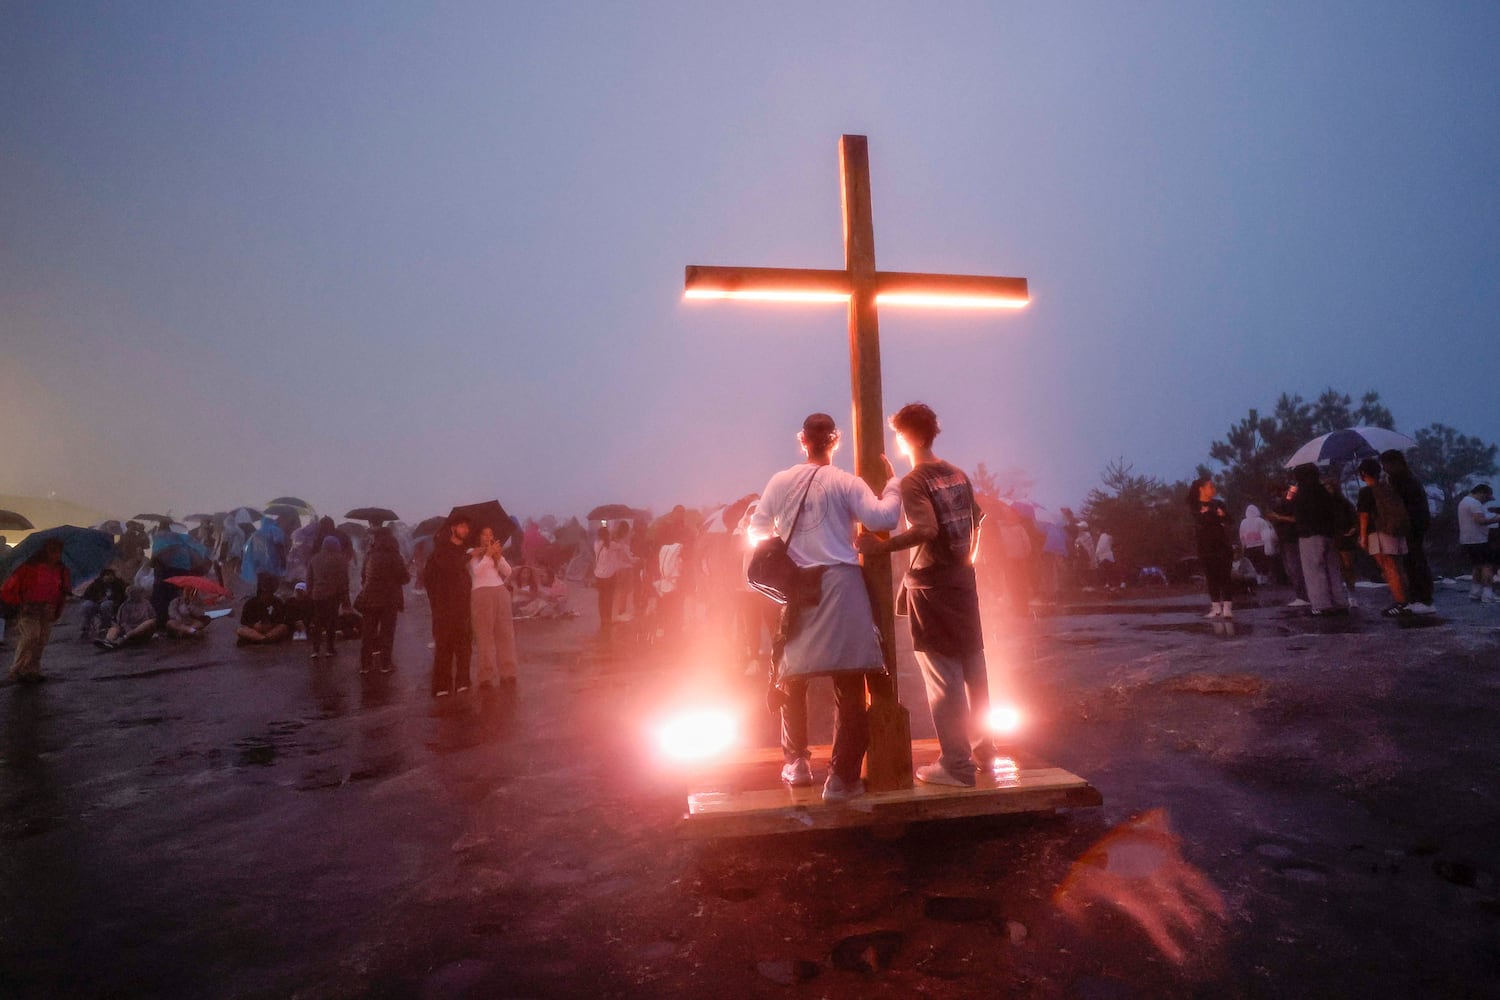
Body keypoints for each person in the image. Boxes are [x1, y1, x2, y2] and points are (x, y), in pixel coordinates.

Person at [749, 412, 901, 804]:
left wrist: (790, 540)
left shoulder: (779, 481)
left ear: (802, 441)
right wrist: (895, 484)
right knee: (848, 682)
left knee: (792, 677)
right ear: (836, 442)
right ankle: (841, 778)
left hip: (799, 585)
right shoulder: (845, 482)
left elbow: (756, 530)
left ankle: (797, 764)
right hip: (841, 586)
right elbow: (886, 517)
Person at [857, 403, 988, 788]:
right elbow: (978, 518)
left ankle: (957, 766)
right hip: (963, 583)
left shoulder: (916, 481)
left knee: (943, 678)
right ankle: (984, 752)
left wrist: (881, 547)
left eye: (897, 435)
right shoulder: (957, 473)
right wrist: (967, 559)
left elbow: (927, 529)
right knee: (973, 671)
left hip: (932, 589)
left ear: (906, 436)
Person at [1, 539, 71, 683]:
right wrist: (17, 604)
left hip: (48, 608)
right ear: (45, 551)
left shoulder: (61, 569)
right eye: (53, 551)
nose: (56, 554)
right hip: (29, 608)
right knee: (30, 637)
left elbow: (63, 589)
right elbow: (13, 587)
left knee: (42, 640)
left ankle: (33, 669)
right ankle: (17, 669)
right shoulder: (28, 567)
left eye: (58, 551)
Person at [424, 514, 473, 696]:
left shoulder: (466, 550)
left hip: (463, 606)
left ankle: (463, 680)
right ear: (453, 528)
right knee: (444, 647)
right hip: (444, 607)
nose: (465, 530)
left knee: (464, 647)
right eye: (461, 526)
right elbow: (447, 568)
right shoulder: (441, 550)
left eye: (466, 527)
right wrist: (467, 557)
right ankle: (442, 685)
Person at [1291, 463, 1349, 615]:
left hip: (1309, 536)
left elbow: (1297, 515)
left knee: (1314, 571)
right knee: (1333, 570)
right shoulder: (1323, 491)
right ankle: (1340, 601)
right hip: (1329, 534)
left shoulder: (1301, 494)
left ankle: (1322, 604)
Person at [1355, 458, 1411, 617]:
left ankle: (1400, 603)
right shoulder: (1388, 488)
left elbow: (1364, 516)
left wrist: (1363, 537)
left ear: (1363, 473)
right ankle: (1406, 599)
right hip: (1395, 531)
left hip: (1378, 533)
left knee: (1388, 568)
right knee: (1398, 567)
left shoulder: (1366, 491)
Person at [1381, 449, 1435, 614]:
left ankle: (1422, 598)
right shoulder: (1409, 478)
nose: (1385, 468)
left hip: (1411, 525)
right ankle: (1418, 597)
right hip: (1416, 524)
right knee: (1412, 560)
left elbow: (1399, 502)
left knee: (1414, 561)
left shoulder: (1402, 480)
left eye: (1386, 465)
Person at [469, 525, 517, 688]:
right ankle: (486, 674)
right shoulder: (472, 552)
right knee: (485, 635)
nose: (487, 537)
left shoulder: (495, 554)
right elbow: (476, 572)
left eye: (490, 534)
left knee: (505, 633)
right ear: (479, 536)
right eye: (484, 534)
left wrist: (498, 556)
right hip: (481, 593)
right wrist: (487, 555)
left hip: (500, 590)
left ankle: (508, 671)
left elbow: (508, 571)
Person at [355, 527, 407, 674]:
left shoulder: (369, 555)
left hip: (370, 598)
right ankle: (385, 664)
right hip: (389, 600)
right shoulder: (395, 556)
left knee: (368, 632)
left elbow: (363, 576)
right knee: (387, 633)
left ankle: (365, 665)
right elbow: (404, 578)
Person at [1186, 477, 1234, 618]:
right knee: (1211, 577)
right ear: (1201, 488)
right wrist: (1215, 514)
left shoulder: (1219, 503)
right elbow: (1202, 520)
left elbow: (1229, 519)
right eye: (1210, 486)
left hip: (1222, 545)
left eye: (1213, 486)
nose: (1213, 489)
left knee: (1225, 576)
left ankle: (1227, 607)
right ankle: (1216, 607)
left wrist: (1215, 513)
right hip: (1205, 546)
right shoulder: (1195, 504)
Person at [1266, 484, 1310, 607]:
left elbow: (1295, 519)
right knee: (1290, 568)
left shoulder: (1292, 503)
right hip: (1284, 539)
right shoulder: (1282, 504)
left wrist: (1278, 517)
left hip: (1291, 539)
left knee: (1294, 567)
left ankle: (1303, 596)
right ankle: (1301, 595)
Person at [306, 535, 349, 658]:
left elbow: (309, 578)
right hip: (333, 595)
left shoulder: (314, 559)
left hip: (317, 595)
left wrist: (310, 593)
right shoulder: (340, 559)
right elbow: (344, 580)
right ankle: (330, 649)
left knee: (318, 621)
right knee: (331, 621)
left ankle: (315, 649)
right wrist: (345, 599)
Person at [1457, 483, 1500, 604]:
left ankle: (1475, 593)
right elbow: (1480, 520)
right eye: (1486, 498)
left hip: (1467, 540)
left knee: (1477, 566)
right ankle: (1488, 594)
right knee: (1487, 566)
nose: (1486, 501)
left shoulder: (1464, 501)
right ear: (1482, 493)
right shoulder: (1475, 503)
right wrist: (1497, 518)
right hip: (1479, 540)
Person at [95, 585, 157, 649]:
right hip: (128, 630)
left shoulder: (146, 603)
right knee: (115, 628)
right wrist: (129, 631)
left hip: (142, 630)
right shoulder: (125, 606)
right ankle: (108, 641)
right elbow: (123, 622)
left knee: (150, 622)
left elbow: (153, 616)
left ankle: (122, 639)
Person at [237, 573, 291, 646]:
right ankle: (263, 639)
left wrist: (271, 624)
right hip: (256, 630)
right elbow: (244, 621)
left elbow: (282, 620)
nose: (266, 595)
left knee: (283, 628)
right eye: (264, 593)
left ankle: (260, 639)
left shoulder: (278, 602)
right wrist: (254, 625)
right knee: (240, 630)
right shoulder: (250, 603)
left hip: (271, 629)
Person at [78, 567, 127, 641]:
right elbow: (86, 595)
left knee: (106, 604)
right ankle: (86, 628)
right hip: (97, 603)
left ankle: (105, 626)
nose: (109, 577)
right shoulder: (96, 584)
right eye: (107, 575)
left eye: (111, 575)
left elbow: (123, 595)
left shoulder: (118, 583)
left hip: (113, 605)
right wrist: (98, 598)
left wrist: (110, 598)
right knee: (87, 605)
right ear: (102, 577)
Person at [1238, 505, 1273, 584]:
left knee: (1253, 564)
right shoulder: (1261, 521)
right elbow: (1266, 534)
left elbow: (1241, 535)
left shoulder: (1243, 522)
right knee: (1262, 562)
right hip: (1261, 546)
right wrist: (1268, 545)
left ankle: (1257, 579)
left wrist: (1243, 545)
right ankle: (1264, 579)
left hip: (1249, 546)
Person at [591, 524, 616, 633]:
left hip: (598, 575)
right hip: (609, 575)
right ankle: (608, 619)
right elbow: (620, 546)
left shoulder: (596, 544)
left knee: (601, 598)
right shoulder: (611, 545)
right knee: (609, 598)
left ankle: (603, 619)